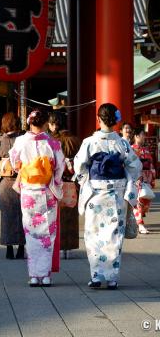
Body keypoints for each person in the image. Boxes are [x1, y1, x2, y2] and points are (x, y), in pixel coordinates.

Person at [74, 103, 142, 290]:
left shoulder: (89, 142)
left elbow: (79, 166)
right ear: (115, 120)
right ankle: (112, 277)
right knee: (114, 235)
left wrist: (85, 181)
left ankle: (96, 276)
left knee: (94, 234)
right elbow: (135, 166)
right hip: (116, 194)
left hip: (95, 192)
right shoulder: (122, 143)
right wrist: (127, 181)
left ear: (98, 118)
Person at [9, 109, 64, 287]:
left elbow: (14, 163)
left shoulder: (20, 141)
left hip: (28, 192)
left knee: (31, 233)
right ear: (45, 123)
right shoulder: (52, 143)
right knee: (48, 234)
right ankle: (45, 275)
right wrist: (55, 182)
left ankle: (34, 275)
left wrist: (26, 170)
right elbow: (60, 167)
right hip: (47, 191)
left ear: (29, 122)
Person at [0, 112, 25, 260]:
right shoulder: (24, 140)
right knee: (24, 214)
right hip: (23, 180)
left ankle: (9, 248)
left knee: (7, 215)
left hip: (6, 181)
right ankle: (22, 247)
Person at [58, 130, 81, 259]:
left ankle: (61, 248)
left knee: (60, 218)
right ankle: (70, 247)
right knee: (72, 218)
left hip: (61, 186)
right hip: (73, 187)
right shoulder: (76, 157)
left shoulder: (59, 154)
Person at [132, 127, 156, 234]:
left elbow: (150, 164)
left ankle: (136, 222)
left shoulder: (145, 150)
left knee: (145, 201)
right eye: (142, 134)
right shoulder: (132, 149)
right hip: (137, 178)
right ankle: (140, 224)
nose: (144, 137)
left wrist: (152, 178)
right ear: (136, 136)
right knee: (139, 202)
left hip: (147, 178)